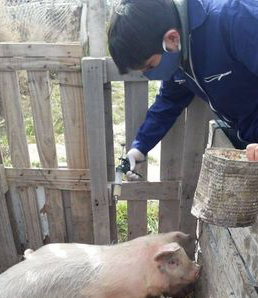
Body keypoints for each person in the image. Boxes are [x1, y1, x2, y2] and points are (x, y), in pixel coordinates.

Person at [108, 0, 258, 178]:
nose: (149, 74)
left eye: (150, 66)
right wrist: (139, 148)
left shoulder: (235, 19)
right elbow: (169, 101)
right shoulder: (179, 55)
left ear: (171, 38)